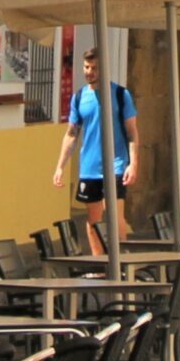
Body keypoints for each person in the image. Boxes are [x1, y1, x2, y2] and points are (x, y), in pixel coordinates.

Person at [53, 47, 137, 251]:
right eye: (86, 67)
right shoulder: (79, 97)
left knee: (115, 216)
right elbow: (72, 134)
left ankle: (122, 266)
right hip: (89, 167)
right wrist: (60, 167)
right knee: (93, 219)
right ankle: (99, 266)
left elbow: (132, 132)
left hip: (116, 164)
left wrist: (133, 163)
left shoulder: (120, 94)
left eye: (94, 68)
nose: (89, 72)